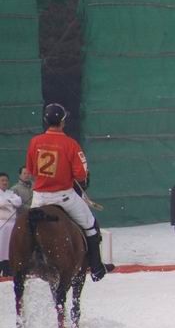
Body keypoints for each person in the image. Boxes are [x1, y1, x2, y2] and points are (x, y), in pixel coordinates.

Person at [26, 103, 113, 280]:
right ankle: (96, 267)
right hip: (63, 196)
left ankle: (24, 263)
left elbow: (31, 170)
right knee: (90, 225)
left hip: (39, 198)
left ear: (46, 120)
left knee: (25, 228)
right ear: (63, 121)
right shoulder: (70, 144)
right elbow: (80, 174)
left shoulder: (35, 141)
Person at [0, 172, 23, 276]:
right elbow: (2, 203)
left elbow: (18, 202)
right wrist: (10, 202)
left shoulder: (11, 193)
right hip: (2, 223)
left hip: (13, 223)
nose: (5, 182)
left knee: (11, 247)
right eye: (2, 180)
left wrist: (8, 201)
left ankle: (8, 270)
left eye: (6, 180)